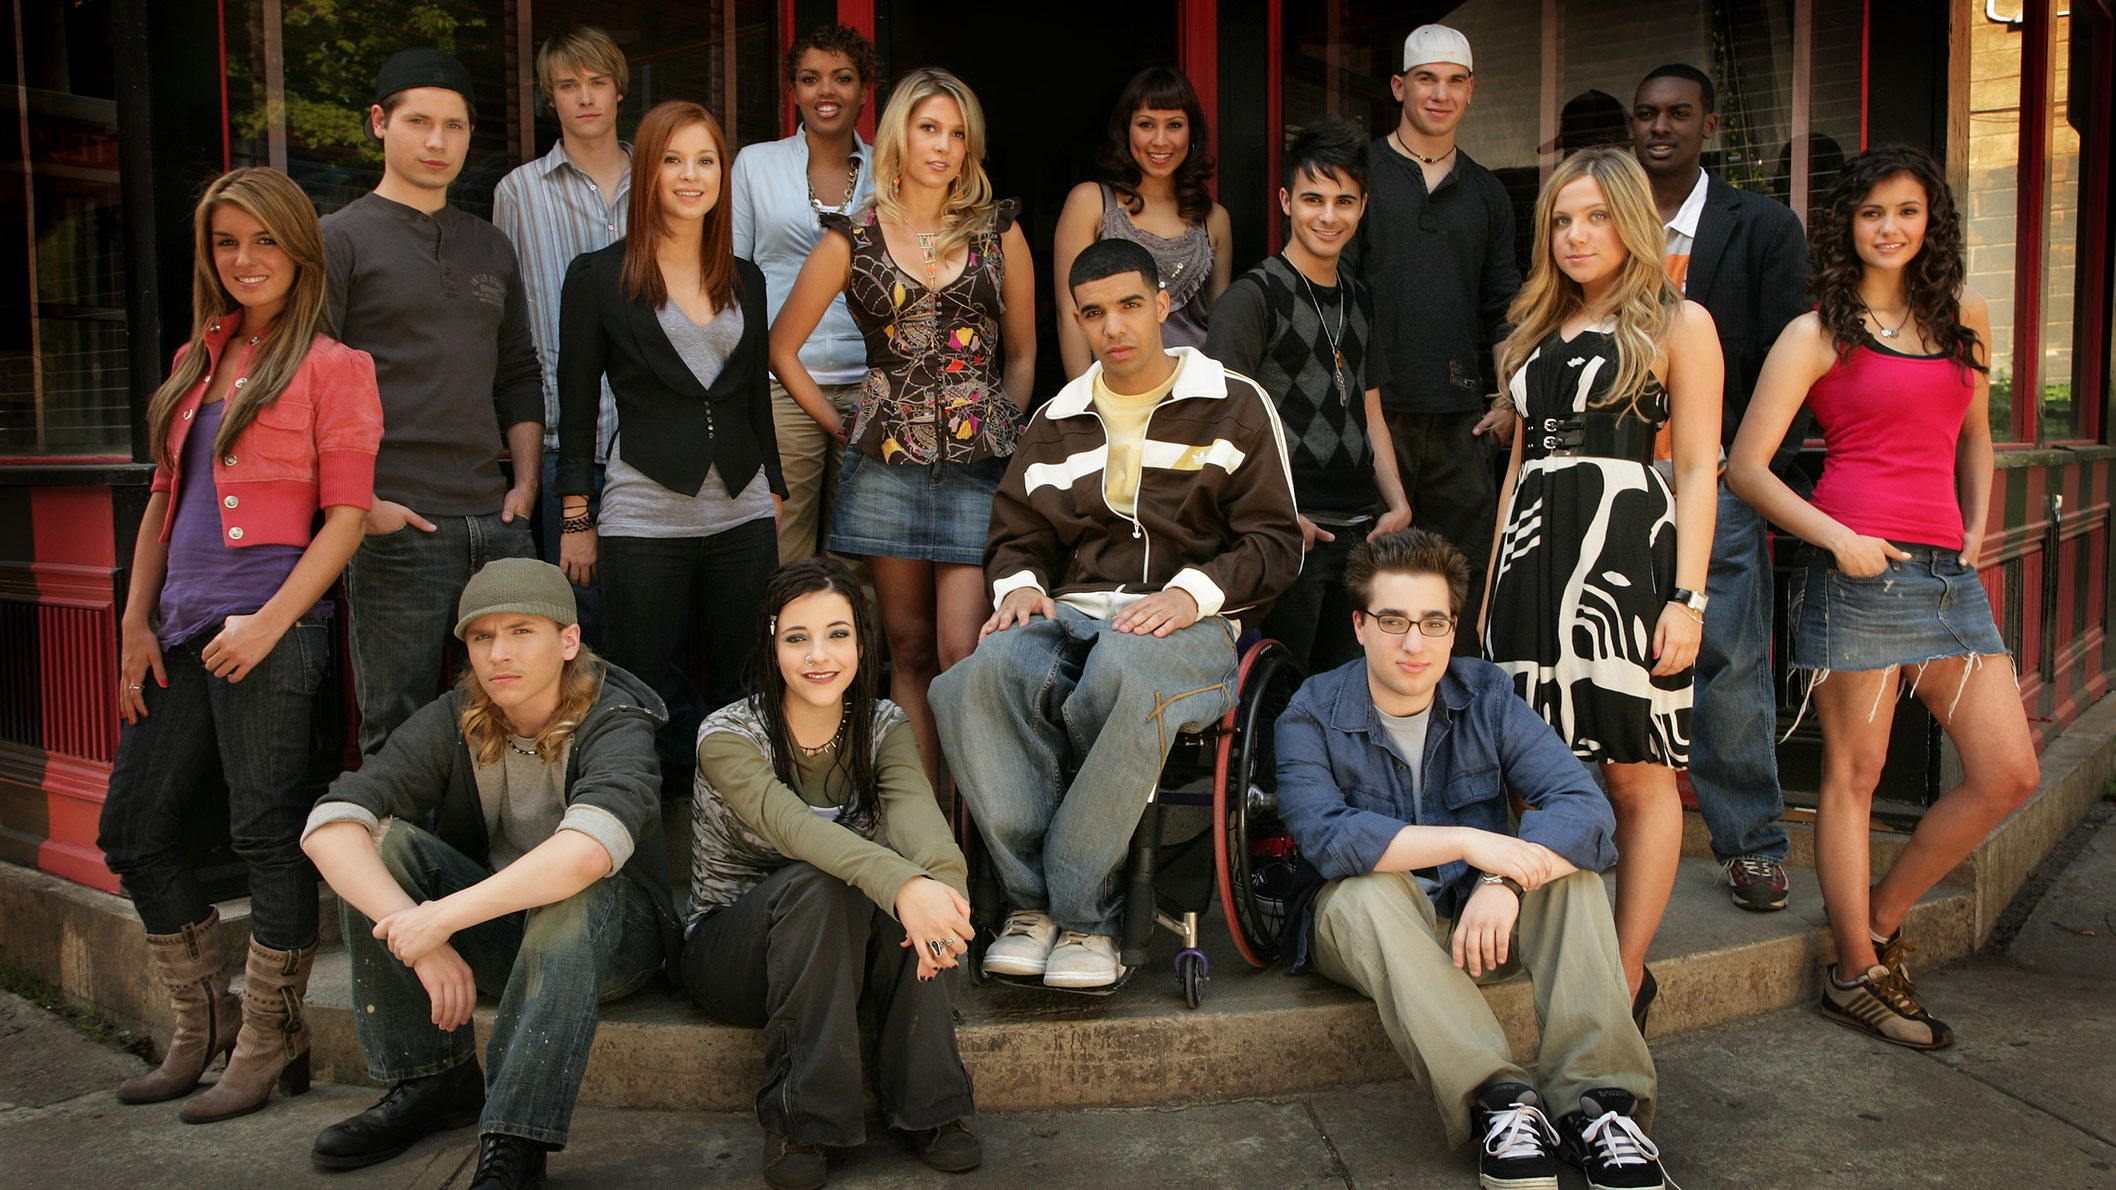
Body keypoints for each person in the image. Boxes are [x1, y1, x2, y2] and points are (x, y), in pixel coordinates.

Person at [1727, 145, 2038, 1050]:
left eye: (1907, 211)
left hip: (1946, 576)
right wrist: (1838, 540)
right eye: (1872, 214)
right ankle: (1856, 975)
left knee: (2008, 771)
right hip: (1855, 569)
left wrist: (1975, 528)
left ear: (1930, 220)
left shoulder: (1964, 316)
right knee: (1854, 780)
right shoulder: (1819, 330)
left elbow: (1974, 436)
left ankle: (1879, 920)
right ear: (1848, 226)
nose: (1890, 228)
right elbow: (1747, 466)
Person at [930, 238, 1301, 990]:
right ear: (1077, 320)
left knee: (1124, 672)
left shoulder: (1232, 402)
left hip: (1189, 625)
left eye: (1131, 305)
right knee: (972, 680)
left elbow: (1275, 542)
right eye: (1094, 313)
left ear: (1164, 305)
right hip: (1071, 619)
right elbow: (1014, 537)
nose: (1115, 327)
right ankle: (1032, 911)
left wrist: (1190, 591)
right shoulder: (1057, 421)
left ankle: (1084, 915)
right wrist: (1022, 587)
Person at [96, 167, 381, 1123]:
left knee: (267, 836)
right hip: (175, 629)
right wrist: (135, 622)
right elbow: (160, 508)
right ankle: (202, 1023)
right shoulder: (192, 361)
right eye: (227, 243)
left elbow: (343, 521)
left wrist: (268, 624)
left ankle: (269, 1037)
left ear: (300, 249)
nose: (245, 260)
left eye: (263, 240)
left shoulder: (336, 367)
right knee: (133, 831)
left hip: (272, 628)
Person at [1276, 528, 1667, 1190]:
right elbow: (1328, 838)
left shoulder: (1485, 694)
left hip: (1473, 922)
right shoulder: (1312, 710)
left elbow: (1585, 810)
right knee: (1367, 889)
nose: (1413, 643)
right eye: (1393, 621)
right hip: (1363, 929)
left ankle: (1600, 1106)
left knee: (1565, 878)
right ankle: (1502, 1101)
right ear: (1360, 626)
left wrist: (1502, 877)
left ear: (1453, 629)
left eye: (1432, 623)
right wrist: (1470, 843)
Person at [301, 558, 679, 1189]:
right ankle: (432, 1079)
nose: (498, 653)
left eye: (521, 631)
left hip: (612, 940)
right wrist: (418, 940)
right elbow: (330, 823)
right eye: (481, 636)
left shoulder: (616, 717)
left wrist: (438, 921)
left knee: (573, 892)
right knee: (383, 843)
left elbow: (587, 852)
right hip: (501, 936)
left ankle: (515, 1134)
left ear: (568, 641)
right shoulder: (459, 714)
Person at [1482, 146, 1722, 1027]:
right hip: (1531, 563)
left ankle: (1622, 975)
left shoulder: (1677, 324)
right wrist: (1491, 588)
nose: (1577, 235)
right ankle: (1555, 943)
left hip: (1628, 566)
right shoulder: (1533, 332)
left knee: (1637, 772)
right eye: (1561, 219)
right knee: (1532, 769)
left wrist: (1687, 599)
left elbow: (1699, 469)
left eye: (1596, 216)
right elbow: (1516, 473)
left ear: (1633, 221)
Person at [768, 66, 1034, 787]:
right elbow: (781, 348)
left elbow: (1024, 351)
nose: (943, 146)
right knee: (908, 650)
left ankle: (978, 825)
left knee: (964, 651)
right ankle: (922, 825)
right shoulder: (850, 239)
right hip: (885, 466)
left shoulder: (998, 233)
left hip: (978, 467)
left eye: (957, 133)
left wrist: (999, 427)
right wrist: (843, 426)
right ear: (899, 137)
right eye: (929, 128)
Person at [684, 557, 979, 1189]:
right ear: (772, 642)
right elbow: (798, 831)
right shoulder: (728, 734)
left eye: (838, 634)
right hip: (736, 953)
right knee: (830, 878)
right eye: (798, 638)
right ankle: (802, 1117)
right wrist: (906, 888)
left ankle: (933, 1107)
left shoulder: (883, 726)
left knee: (916, 883)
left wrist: (944, 903)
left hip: (844, 953)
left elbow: (924, 826)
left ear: (862, 641)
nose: (820, 655)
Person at [557, 100, 782, 800]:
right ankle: (637, 856)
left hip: (742, 514)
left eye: (706, 160)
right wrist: (575, 515)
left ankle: (735, 850)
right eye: (675, 160)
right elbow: (573, 402)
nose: (692, 176)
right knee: (636, 695)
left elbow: (751, 394)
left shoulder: (746, 275)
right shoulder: (598, 277)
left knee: (749, 693)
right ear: (648, 172)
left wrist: (772, 484)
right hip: (644, 515)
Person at [1630, 62, 1812, 913]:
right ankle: (1596, 828)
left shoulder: (1764, 227)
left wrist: (1752, 466)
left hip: (1720, 478)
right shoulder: (1609, 222)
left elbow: (1791, 358)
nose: (1659, 127)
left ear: (1709, 125)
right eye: (1646, 115)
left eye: (1677, 114)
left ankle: (1751, 845)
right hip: (1619, 475)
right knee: (1610, 653)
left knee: (1729, 660)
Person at [324, 48, 542, 754]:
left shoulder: (491, 245)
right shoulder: (338, 241)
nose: (438, 141)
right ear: (380, 124)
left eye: (454, 126)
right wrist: (364, 508)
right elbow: (306, 386)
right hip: (398, 523)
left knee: (516, 716)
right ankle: (393, 864)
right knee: (403, 723)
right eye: (419, 122)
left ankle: (490, 866)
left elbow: (516, 371)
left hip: (496, 518)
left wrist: (527, 486)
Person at [1205, 115, 1410, 673]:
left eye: (1344, 201)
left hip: (1360, 535)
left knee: (1348, 690)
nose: (1328, 215)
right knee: (1281, 695)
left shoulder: (1359, 299)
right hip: (1290, 538)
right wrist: (1275, 516)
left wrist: (1397, 502)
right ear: (1285, 201)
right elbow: (1220, 425)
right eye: (1313, 198)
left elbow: (1370, 411)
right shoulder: (1253, 297)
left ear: (1362, 207)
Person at [1346, 24, 1521, 656]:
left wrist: (1507, 399)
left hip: (1460, 422)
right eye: (1425, 78)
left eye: (1454, 81)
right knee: (1367, 585)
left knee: (1459, 583)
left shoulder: (1487, 192)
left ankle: (1456, 729)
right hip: (1370, 413)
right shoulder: (1360, 176)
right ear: (1399, 87)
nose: (1439, 94)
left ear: (1470, 90)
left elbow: (1505, 305)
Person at [493, 25, 632, 646]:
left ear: (619, 90)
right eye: (568, 85)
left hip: (653, 442)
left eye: (597, 82)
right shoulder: (518, 192)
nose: (585, 98)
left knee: (654, 622)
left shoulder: (662, 181)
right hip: (561, 440)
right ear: (550, 97)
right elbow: (510, 324)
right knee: (575, 623)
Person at [732, 23, 880, 565]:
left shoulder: (891, 170)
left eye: (843, 78)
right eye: (811, 78)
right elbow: (734, 277)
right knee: (783, 547)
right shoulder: (755, 164)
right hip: (780, 387)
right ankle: (788, 650)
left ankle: (859, 653)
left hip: (873, 385)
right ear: (792, 89)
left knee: (862, 553)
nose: (827, 92)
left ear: (864, 90)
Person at [1052, 65, 1232, 378]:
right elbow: (1070, 315)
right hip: (1113, 394)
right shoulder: (1091, 203)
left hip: (1194, 397)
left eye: (1174, 125)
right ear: (1126, 130)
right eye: (1146, 124)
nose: (1160, 140)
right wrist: (1084, 407)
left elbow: (1221, 332)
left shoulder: (1214, 220)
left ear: (1191, 133)